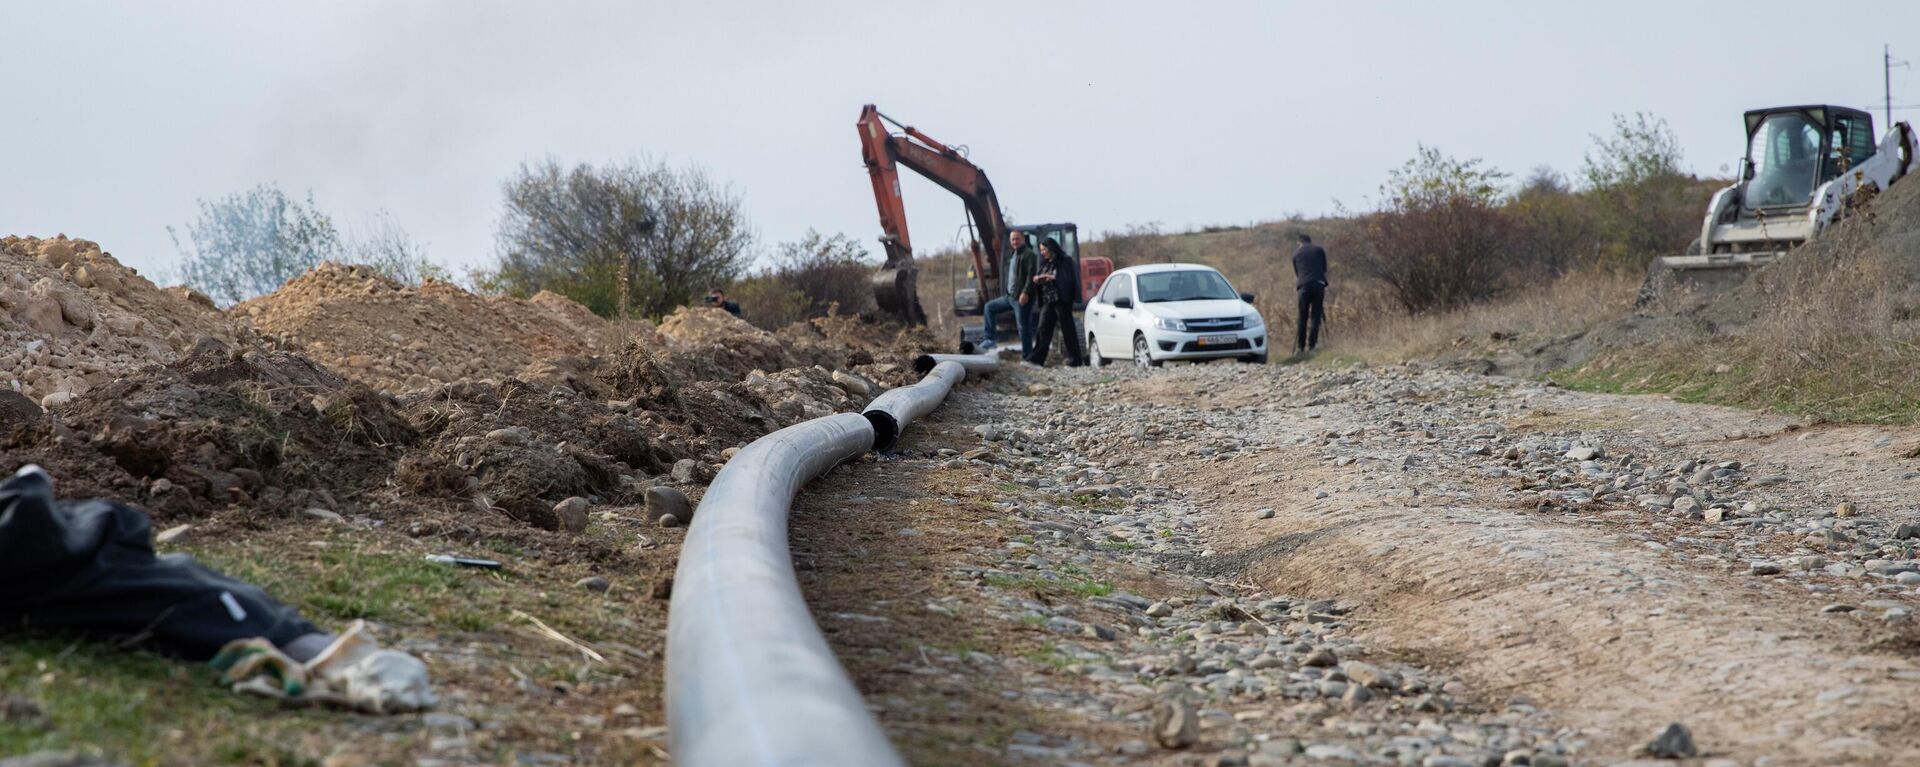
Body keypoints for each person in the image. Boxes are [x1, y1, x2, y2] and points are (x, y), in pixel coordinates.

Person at [1022, 237, 1085, 367]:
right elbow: (1040, 276)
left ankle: (1075, 359)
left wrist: (1052, 277)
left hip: (1062, 300)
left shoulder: (1065, 261)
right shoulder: (1045, 264)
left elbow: (1068, 279)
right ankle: (1036, 359)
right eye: (1041, 250)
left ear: (1052, 248)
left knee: (1067, 329)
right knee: (1043, 328)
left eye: (1044, 249)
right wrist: (1037, 279)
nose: (1043, 252)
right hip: (1048, 300)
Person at [983, 230, 1037, 351]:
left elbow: (1031, 275)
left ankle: (1027, 355)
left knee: (1023, 328)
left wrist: (1026, 292)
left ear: (1023, 239)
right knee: (989, 307)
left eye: (1017, 239)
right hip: (1010, 297)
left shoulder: (1028, 255)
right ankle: (989, 340)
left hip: (1021, 297)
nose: (1015, 242)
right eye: (1012, 239)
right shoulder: (1014, 254)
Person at [1291, 233, 1328, 353]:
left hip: (1303, 286)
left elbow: (1297, 273)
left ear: (1299, 242)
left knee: (1302, 317)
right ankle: (1312, 345)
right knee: (1316, 315)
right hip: (1318, 284)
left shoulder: (1296, 253)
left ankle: (1301, 347)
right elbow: (1324, 268)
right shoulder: (1319, 250)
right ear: (1310, 241)